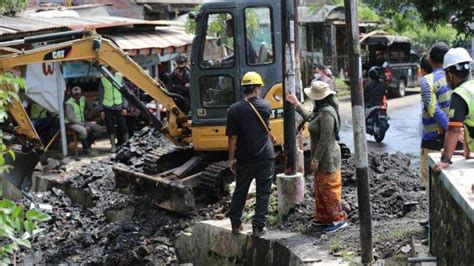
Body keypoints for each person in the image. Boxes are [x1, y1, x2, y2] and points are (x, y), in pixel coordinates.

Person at [286, 80, 348, 233]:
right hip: (321, 157)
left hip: (328, 158)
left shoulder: (327, 112)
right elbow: (310, 118)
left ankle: (338, 220)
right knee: (320, 188)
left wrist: (316, 159)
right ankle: (324, 217)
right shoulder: (320, 110)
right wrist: (296, 104)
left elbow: (325, 138)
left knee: (329, 188)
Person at [226, 71, 274, 237]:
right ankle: (258, 227)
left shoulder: (234, 110)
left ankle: (235, 224)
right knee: (263, 191)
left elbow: (233, 137)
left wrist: (231, 158)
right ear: (257, 88)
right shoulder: (266, 106)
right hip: (265, 157)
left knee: (240, 190)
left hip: (245, 158)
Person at [419, 42, 461, 193]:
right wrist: (458, 131)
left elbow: (432, 109)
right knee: (455, 186)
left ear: (430, 60)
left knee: (431, 185)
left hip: (433, 142)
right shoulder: (457, 78)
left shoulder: (427, 80)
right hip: (457, 141)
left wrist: (448, 127)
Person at [434, 47, 473, 172]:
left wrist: (445, 160)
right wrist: (466, 153)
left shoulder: (460, 94)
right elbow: (468, 124)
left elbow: (454, 129)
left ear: (449, 75)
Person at [99, 69, 129, 152]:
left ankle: (127, 145)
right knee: (110, 126)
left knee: (123, 125)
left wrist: (124, 107)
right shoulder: (102, 78)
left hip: (119, 105)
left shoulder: (120, 76)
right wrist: (101, 109)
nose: (111, 69)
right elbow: (101, 94)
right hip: (107, 105)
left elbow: (124, 92)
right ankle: (113, 146)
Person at [65, 86, 101, 155]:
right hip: (71, 123)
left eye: (78, 94)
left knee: (98, 128)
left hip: (83, 121)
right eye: (75, 94)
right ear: (72, 95)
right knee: (83, 130)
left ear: (81, 93)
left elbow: (90, 107)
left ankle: (87, 145)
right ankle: (86, 149)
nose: (77, 95)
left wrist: (88, 117)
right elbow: (71, 118)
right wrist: (84, 125)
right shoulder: (69, 103)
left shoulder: (83, 99)